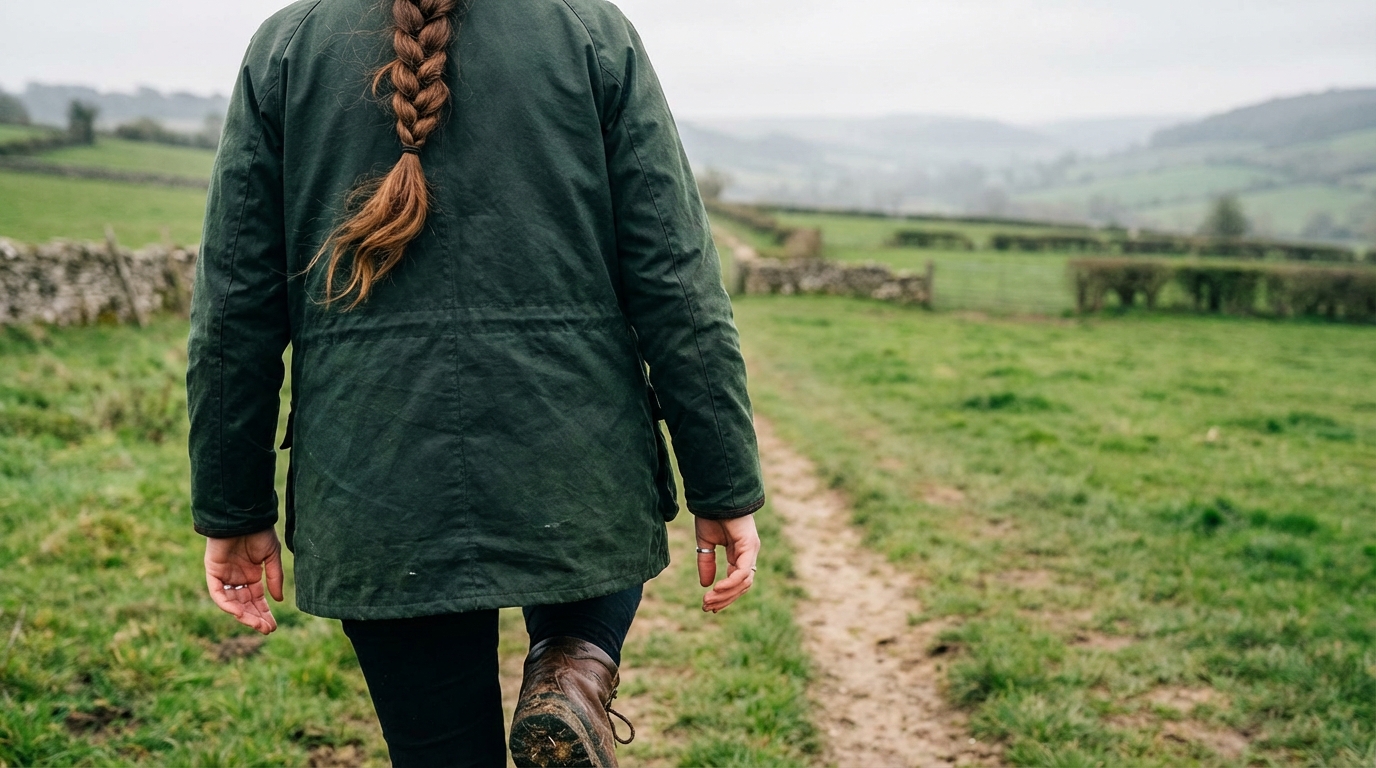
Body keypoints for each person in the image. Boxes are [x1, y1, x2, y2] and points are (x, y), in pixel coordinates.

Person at [185, 0, 765, 765]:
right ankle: (573, 666)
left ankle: (568, 671)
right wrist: (724, 486)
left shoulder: (288, 46)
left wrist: (233, 506)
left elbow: (234, 307)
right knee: (579, 609)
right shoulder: (589, 31)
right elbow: (676, 281)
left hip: (378, 477)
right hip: (576, 461)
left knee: (438, 753)